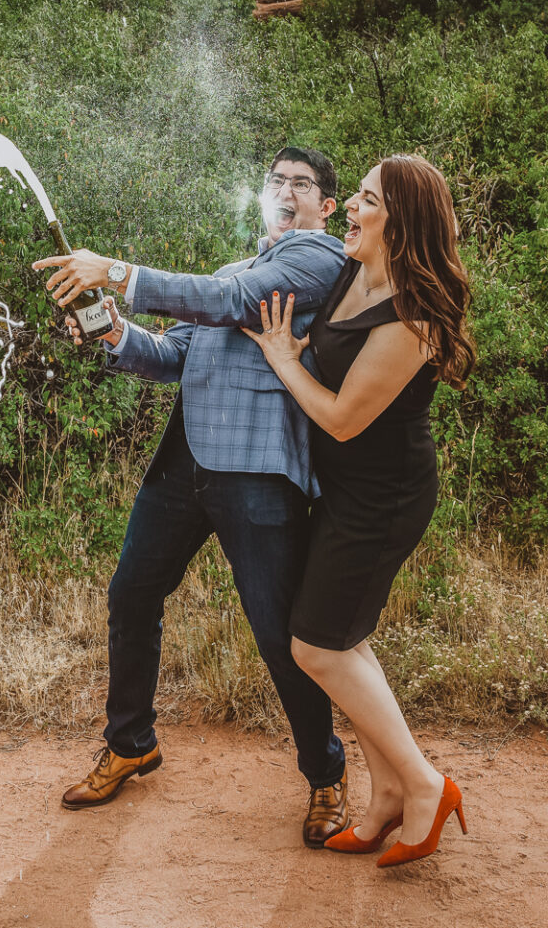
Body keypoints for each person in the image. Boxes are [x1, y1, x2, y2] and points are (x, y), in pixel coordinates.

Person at [30, 147, 352, 846]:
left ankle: (326, 772)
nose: (285, 191)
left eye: (301, 184)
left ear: (327, 206)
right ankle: (131, 742)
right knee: (132, 592)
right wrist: (113, 331)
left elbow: (231, 305)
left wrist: (119, 271)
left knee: (278, 633)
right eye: (276, 181)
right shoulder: (230, 270)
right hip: (184, 462)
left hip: (259, 470)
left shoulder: (319, 261)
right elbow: (176, 353)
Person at [240, 153, 476, 866]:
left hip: (384, 499)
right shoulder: (353, 268)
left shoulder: (414, 318)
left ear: (398, 221)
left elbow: (342, 419)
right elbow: (327, 353)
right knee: (347, 642)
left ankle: (427, 783)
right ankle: (386, 797)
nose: (350, 208)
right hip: (343, 490)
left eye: (366, 200)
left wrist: (284, 363)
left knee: (315, 645)